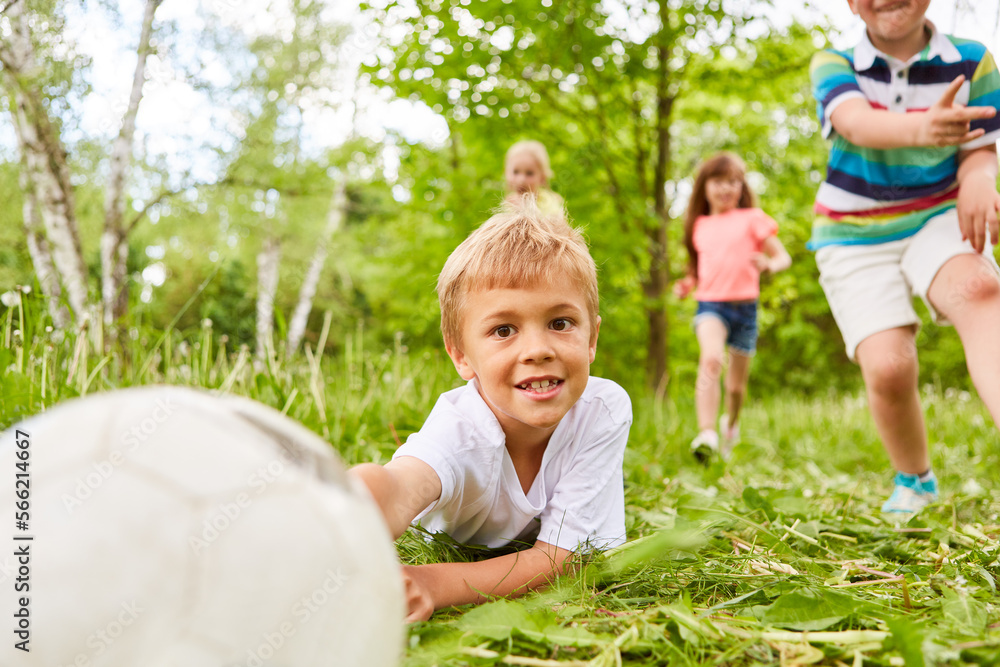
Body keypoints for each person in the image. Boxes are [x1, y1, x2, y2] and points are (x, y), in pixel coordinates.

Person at [350, 199, 632, 622]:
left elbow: (564, 560)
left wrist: (430, 583)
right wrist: (385, 494)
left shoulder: (603, 409)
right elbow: (420, 475)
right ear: (462, 356)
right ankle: (345, 514)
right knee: (395, 488)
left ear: (591, 338)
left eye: (560, 323)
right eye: (504, 330)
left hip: (540, 545)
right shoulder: (462, 427)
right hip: (440, 506)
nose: (537, 350)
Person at [809, 0, 1000, 514]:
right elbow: (856, 123)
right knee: (890, 368)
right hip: (853, 233)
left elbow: (982, 146)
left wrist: (980, 179)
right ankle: (915, 480)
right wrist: (922, 129)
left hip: (936, 214)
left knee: (981, 289)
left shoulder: (974, 60)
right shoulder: (833, 63)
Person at [674, 152, 791, 462]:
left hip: (746, 310)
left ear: (741, 187)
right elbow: (698, 268)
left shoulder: (752, 218)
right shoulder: (698, 225)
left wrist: (769, 264)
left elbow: (783, 258)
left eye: (733, 182)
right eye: (718, 181)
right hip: (711, 305)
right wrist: (687, 284)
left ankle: (731, 425)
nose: (725, 188)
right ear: (704, 186)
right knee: (711, 360)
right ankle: (707, 433)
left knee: (736, 388)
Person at [504, 140, 565, 216]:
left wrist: (524, 209)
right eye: (515, 172)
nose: (521, 180)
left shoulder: (550, 203)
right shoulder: (507, 205)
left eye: (529, 173)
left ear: (542, 177)